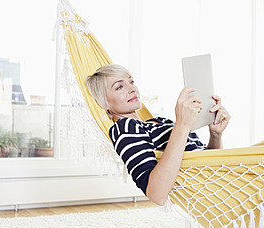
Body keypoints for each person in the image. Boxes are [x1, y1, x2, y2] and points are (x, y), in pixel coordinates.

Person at [86, 64, 230, 206]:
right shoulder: (125, 128)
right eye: (119, 87)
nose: (132, 89)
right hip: (215, 190)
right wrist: (182, 125)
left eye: (131, 82)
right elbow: (156, 194)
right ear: (103, 103)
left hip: (221, 181)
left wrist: (215, 135)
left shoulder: (161, 121)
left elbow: (208, 162)